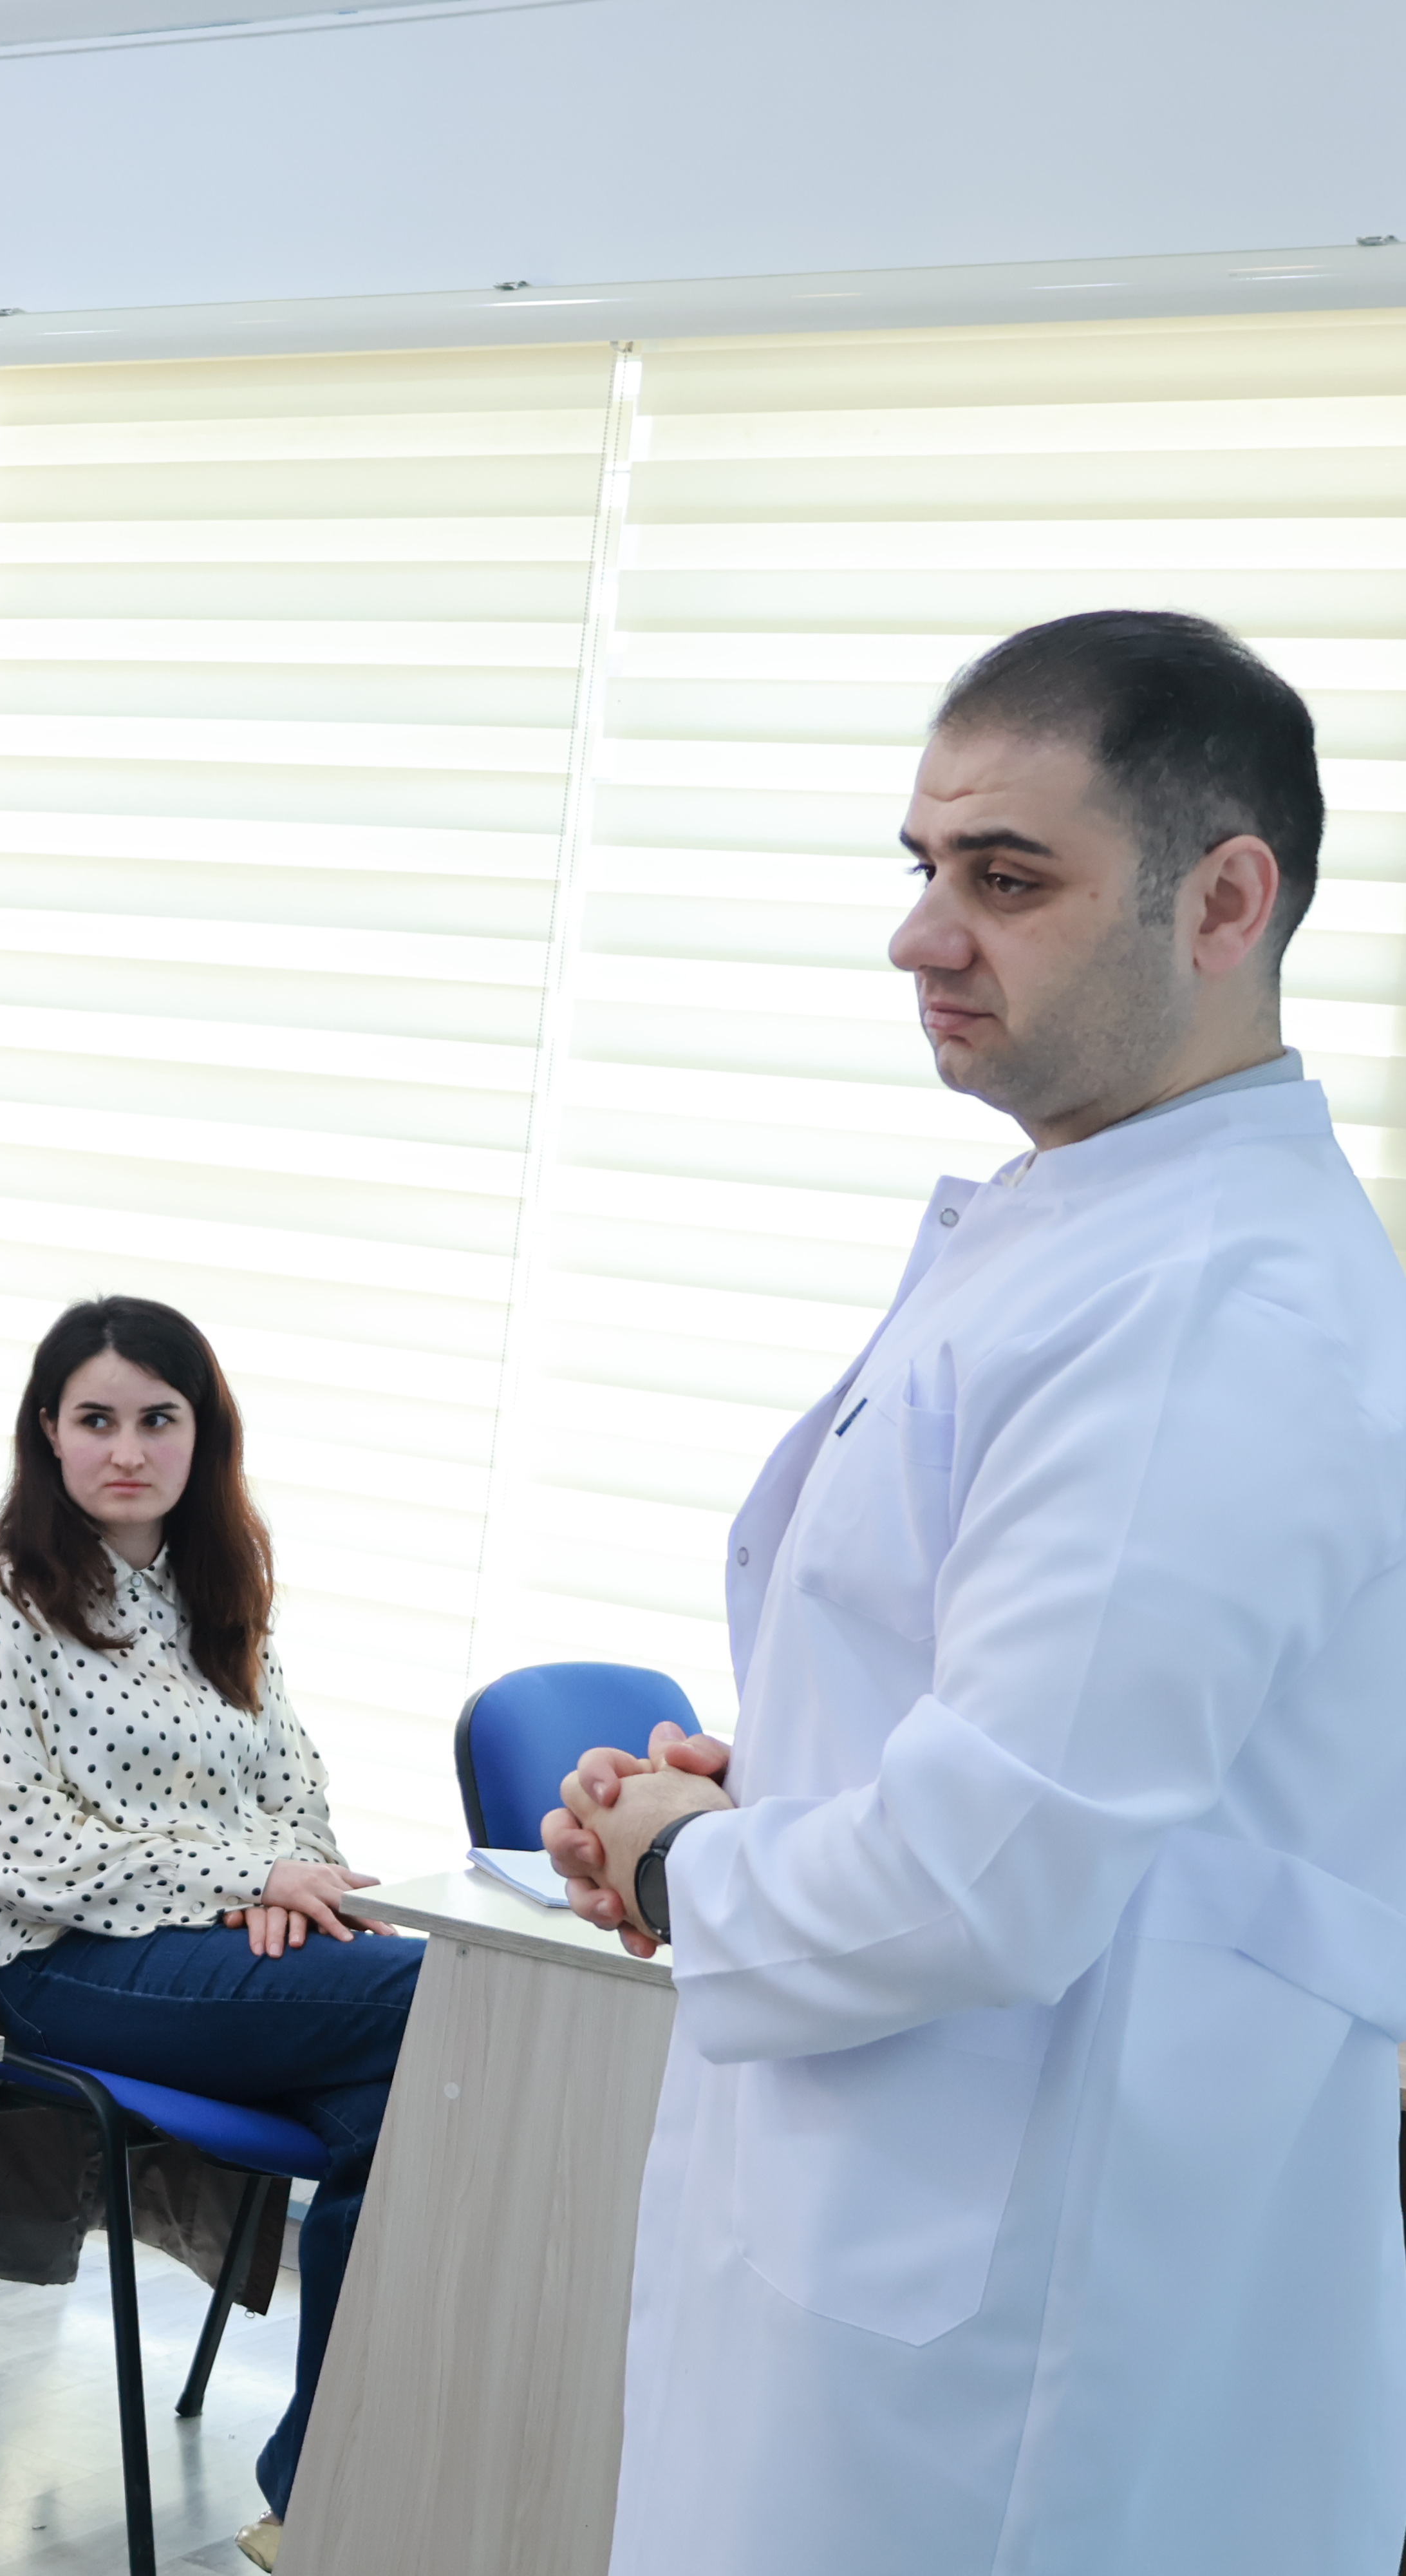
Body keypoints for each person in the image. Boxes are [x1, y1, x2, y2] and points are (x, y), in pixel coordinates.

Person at [542, 612, 1406, 2576]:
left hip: (1012, 2368)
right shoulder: (1108, 1221)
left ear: (1225, 902)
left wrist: (687, 1861)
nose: (921, 936)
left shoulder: (1211, 1305)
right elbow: (1050, 1739)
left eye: (1007, 880)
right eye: (925, 866)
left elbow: (985, 1867)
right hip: (918, 2233)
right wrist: (779, 1794)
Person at [0, 1294, 420, 2571]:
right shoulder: (0, 1593)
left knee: (402, 2118)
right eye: (96, 1419)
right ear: (48, 1430)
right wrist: (250, 1873)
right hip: (68, 1963)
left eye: (157, 1419)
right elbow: (20, 1844)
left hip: (220, 1948)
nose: (127, 1449)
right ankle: (327, 2493)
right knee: (436, 1993)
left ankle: (316, 2504)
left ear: (203, 1434)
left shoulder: (219, 1586)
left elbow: (293, 1785)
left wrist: (284, 1883)